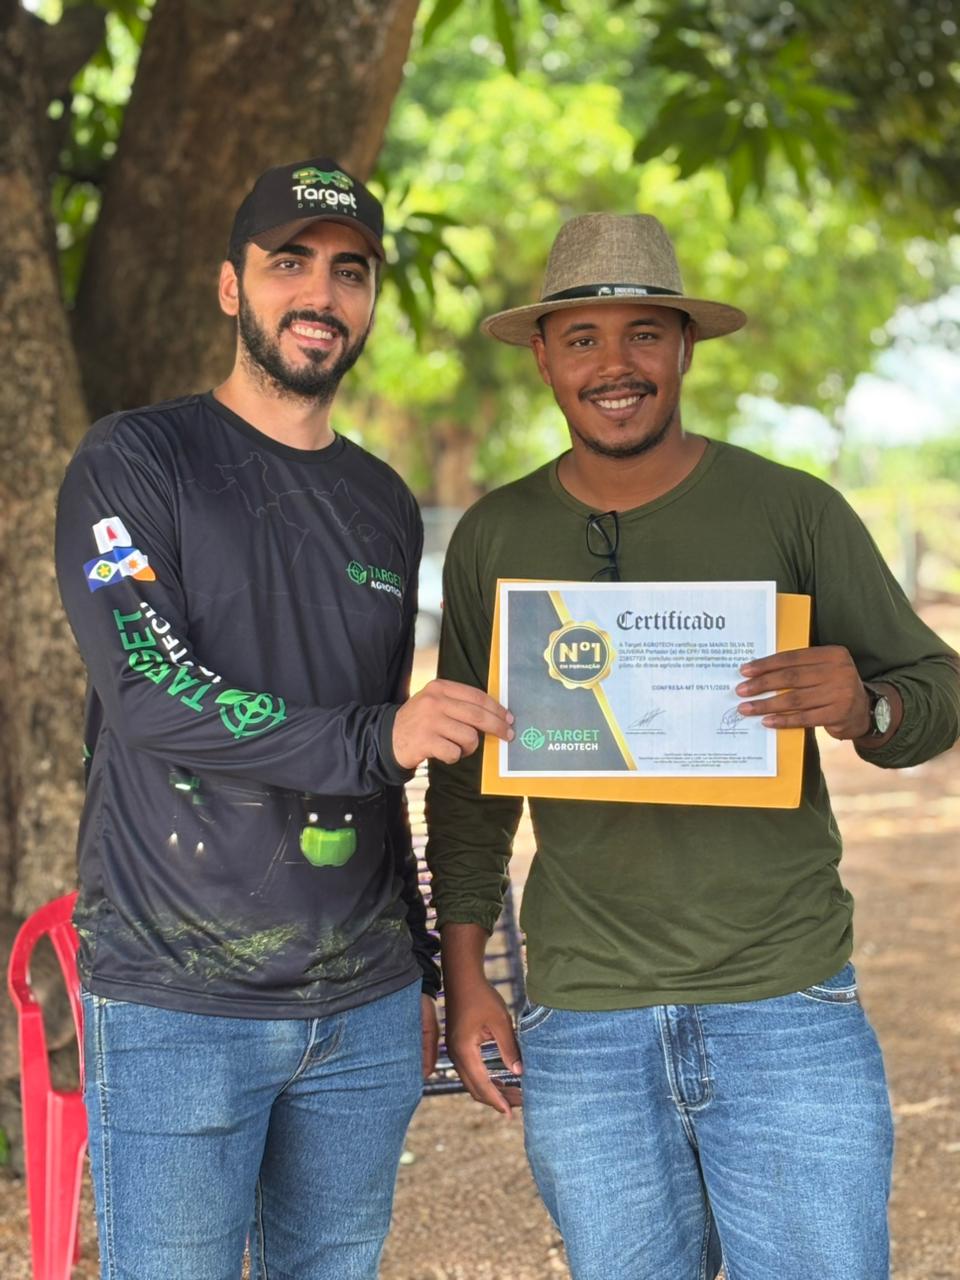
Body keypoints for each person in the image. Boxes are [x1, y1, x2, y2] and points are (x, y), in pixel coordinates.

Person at [425, 212, 960, 1280]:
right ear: (543, 356)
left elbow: (937, 687)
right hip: (584, 1016)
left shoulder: (790, 510)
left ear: (685, 347)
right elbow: (472, 780)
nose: (613, 365)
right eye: (582, 338)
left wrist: (865, 708)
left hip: (784, 1000)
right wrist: (466, 969)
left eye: (644, 335)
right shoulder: (496, 536)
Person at [54, 156, 512, 1280]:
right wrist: (381, 736)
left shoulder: (381, 501)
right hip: (178, 995)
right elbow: (152, 692)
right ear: (230, 287)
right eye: (289, 263)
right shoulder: (135, 459)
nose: (321, 293)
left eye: (349, 271)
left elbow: (378, 755)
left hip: (361, 1003)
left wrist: (424, 967)